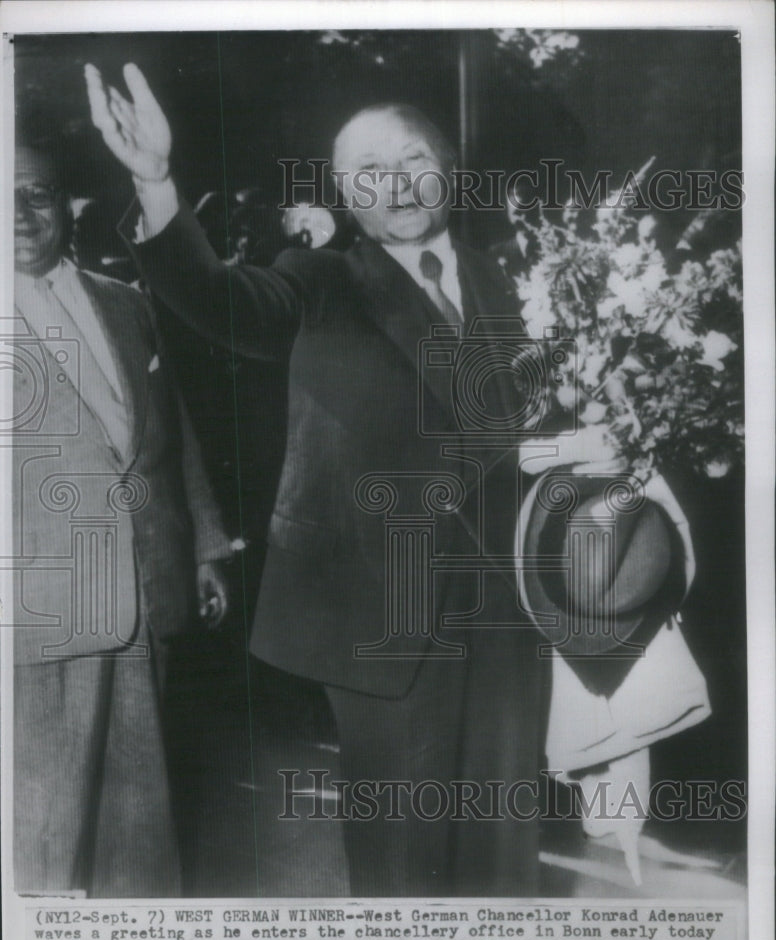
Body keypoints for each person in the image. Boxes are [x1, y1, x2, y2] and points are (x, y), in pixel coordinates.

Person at [84, 63, 685, 896]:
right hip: (377, 612)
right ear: (342, 194)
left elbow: (568, 403)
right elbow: (220, 301)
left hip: (513, 603)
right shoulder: (320, 281)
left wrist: (611, 445)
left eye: (411, 161)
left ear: (448, 168)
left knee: (502, 849)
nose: (394, 185)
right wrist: (155, 181)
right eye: (367, 172)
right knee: (403, 858)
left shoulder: (521, 278)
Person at [11, 143, 232, 897]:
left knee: (141, 828)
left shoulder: (124, 300)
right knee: (43, 833)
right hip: (38, 611)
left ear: (69, 207)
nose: (18, 212)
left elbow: (172, 434)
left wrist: (204, 545)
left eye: (36, 192)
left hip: (148, 584)